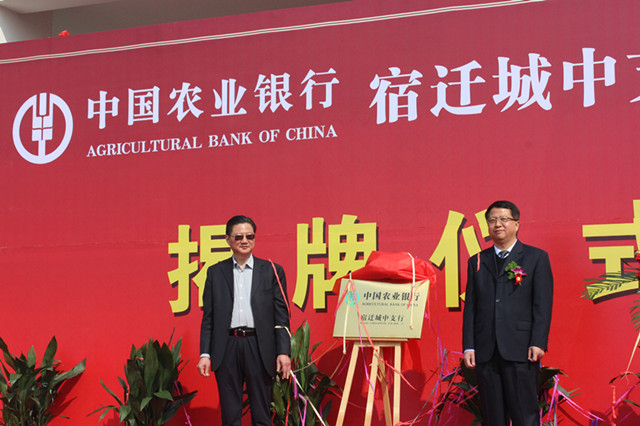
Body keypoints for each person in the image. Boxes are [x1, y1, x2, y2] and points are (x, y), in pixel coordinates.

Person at [462, 201, 553, 426]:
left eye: (504, 219)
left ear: (516, 224)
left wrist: (538, 342)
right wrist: (469, 346)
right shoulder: (477, 261)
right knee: (493, 417)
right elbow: (471, 307)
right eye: (492, 220)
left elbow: (542, 304)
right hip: (486, 350)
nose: (498, 224)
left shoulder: (535, 258)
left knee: (525, 414)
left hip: (520, 349)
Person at [197, 215, 291, 426]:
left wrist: (283, 351)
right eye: (238, 237)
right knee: (230, 416)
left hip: (259, 346)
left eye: (250, 236)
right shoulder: (215, 273)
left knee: (262, 415)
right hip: (227, 347)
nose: (245, 241)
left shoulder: (272, 271)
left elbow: (281, 315)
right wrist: (205, 354)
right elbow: (209, 317)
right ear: (228, 239)